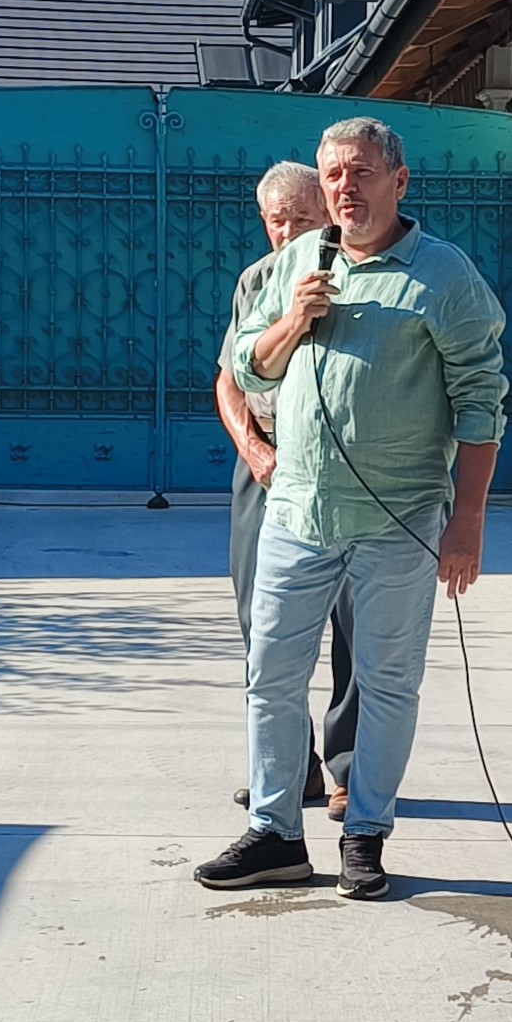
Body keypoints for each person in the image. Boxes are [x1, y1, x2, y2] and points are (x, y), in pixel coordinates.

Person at [196, 117, 508, 901]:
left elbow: (480, 402)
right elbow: (247, 369)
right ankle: (275, 833)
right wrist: (292, 320)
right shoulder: (298, 260)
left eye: (361, 172)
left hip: (398, 521)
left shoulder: (443, 274)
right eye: (333, 174)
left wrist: (467, 523)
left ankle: (365, 831)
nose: (345, 187)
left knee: (386, 681)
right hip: (297, 512)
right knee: (270, 676)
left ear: (398, 182)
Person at [217, 162, 357, 818]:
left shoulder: (355, 273)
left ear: (326, 214)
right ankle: (289, 766)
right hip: (267, 463)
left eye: (301, 219)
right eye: (278, 221)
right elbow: (229, 377)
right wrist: (254, 450)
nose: (288, 232)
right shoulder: (256, 280)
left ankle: (350, 769)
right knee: (262, 620)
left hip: (345, 467)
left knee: (355, 623)